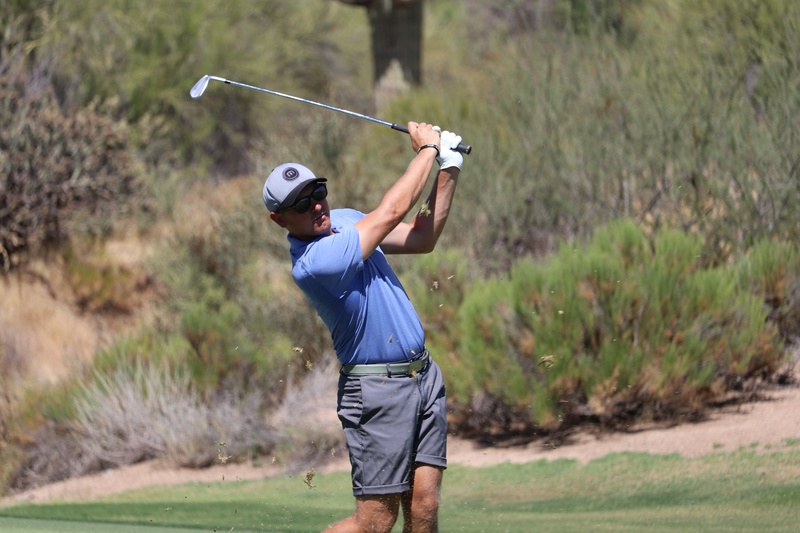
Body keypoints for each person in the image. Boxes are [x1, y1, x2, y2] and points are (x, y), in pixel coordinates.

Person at [262, 122, 463, 533]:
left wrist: (449, 168)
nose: (317, 206)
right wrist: (427, 150)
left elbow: (421, 238)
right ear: (279, 219)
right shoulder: (315, 264)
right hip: (376, 392)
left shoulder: (346, 220)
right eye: (302, 204)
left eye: (318, 192)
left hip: (423, 375)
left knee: (424, 504)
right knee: (375, 522)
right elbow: (390, 212)